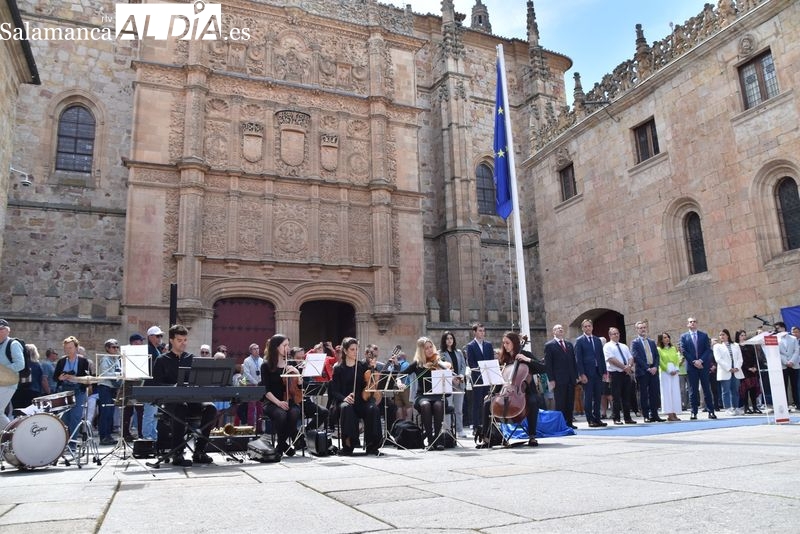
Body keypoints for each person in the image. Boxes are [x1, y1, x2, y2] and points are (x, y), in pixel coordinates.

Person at [152, 324, 216, 466]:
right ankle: (178, 453)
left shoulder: (191, 358)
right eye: (180, 340)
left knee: (211, 408)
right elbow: (155, 385)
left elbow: (199, 381)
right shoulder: (161, 360)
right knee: (180, 407)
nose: (183, 343)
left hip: (192, 400)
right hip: (171, 402)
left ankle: (200, 451)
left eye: (185, 340)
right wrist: (173, 387)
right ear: (172, 341)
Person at [477, 331, 543, 448]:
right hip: (506, 391)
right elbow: (500, 380)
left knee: (533, 401)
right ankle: (486, 437)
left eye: (507, 343)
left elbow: (544, 368)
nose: (505, 346)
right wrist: (491, 393)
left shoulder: (525, 354)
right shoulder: (504, 359)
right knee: (487, 402)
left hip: (525, 392)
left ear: (515, 343)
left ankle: (532, 436)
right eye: (504, 343)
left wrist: (527, 360)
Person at [330, 337, 382, 456]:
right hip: (344, 401)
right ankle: (349, 446)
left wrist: (373, 369)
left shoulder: (362, 366)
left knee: (373, 408)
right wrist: (344, 398)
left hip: (361, 400)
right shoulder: (338, 368)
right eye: (352, 349)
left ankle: (372, 446)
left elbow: (370, 383)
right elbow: (334, 391)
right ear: (345, 351)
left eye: (356, 349)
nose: (355, 352)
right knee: (346, 408)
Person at [261, 334, 304, 457]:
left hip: (289, 400)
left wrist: (298, 375)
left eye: (288, 345)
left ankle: (280, 446)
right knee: (281, 414)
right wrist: (278, 403)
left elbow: (299, 388)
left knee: (294, 412)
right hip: (271, 402)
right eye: (285, 345)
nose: (288, 348)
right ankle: (285, 445)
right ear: (276, 347)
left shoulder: (290, 365)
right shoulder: (266, 366)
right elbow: (266, 389)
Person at [54, 335, 92, 439]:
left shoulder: (84, 361)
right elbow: (55, 377)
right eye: (66, 348)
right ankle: (64, 441)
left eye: (70, 348)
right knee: (65, 417)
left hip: (78, 390)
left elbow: (89, 378)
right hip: (64, 390)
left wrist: (74, 378)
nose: (68, 350)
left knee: (75, 416)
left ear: (76, 348)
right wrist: (60, 378)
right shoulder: (61, 361)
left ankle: (73, 442)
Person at [679, 317, 717, 420]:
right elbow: (684, 351)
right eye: (690, 322)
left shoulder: (703, 335)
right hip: (691, 367)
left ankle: (711, 411)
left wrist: (700, 360)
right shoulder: (684, 337)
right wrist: (694, 362)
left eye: (695, 322)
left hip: (703, 366)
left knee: (706, 389)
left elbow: (707, 350)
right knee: (693, 390)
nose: (693, 323)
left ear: (697, 324)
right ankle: (693, 412)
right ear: (687, 324)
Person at [574, 319, 608, 427]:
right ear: (583, 328)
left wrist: (604, 372)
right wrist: (581, 374)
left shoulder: (597, 340)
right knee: (588, 397)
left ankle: (597, 418)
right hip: (587, 374)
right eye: (585, 326)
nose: (588, 328)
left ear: (592, 327)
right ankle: (590, 419)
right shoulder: (580, 340)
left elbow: (601, 357)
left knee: (598, 396)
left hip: (598, 372)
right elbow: (578, 359)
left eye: (589, 326)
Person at [544, 324, 578, 429]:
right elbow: (548, 364)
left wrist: (576, 376)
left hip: (570, 378)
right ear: (553, 332)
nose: (560, 329)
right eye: (557, 328)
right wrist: (551, 379)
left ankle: (569, 422)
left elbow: (573, 361)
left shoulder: (569, 344)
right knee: (560, 402)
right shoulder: (549, 345)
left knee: (570, 401)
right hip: (558, 379)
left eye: (561, 328)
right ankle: (561, 424)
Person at [631, 321, 664, 422]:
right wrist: (647, 368)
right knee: (644, 394)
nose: (643, 329)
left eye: (644, 327)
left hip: (653, 370)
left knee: (654, 393)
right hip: (643, 371)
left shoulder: (652, 342)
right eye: (640, 328)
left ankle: (655, 414)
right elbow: (636, 356)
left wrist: (654, 367)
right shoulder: (635, 342)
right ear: (637, 330)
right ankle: (646, 415)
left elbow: (657, 356)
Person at [603, 327, 637, 425]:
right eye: (614, 334)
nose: (616, 335)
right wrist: (624, 367)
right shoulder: (607, 346)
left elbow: (630, 357)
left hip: (626, 373)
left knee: (626, 396)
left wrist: (629, 366)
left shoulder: (624, 346)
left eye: (617, 333)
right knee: (616, 397)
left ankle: (627, 418)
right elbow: (611, 359)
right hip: (615, 373)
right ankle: (616, 418)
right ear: (610, 335)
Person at [439, 331, 468, 437]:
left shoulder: (459, 352)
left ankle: (459, 429)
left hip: (459, 383)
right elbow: (441, 368)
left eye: (451, 338)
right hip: (448, 384)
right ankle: (448, 429)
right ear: (444, 340)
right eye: (447, 338)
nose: (449, 340)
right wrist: (452, 378)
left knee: (459, 408)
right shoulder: (440, 353)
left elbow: (463, 365)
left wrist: (461, 375)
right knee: (448, 407)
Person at [465, 323, 493, 429]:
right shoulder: (470, 346)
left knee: (488, 401)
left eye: (483, 330)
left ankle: (487, 423)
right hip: (477, 377)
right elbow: (471, 363)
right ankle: (476, 425)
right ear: (475, 332)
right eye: (480, 330)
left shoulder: (488, 345)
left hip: (488, 377)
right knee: (477, 402)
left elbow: (491, 360)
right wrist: (481, 371)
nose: (482, 333)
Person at [0, 319, 25, 431]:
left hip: (8, 383)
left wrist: (3, 370)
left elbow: (20, 364)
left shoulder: (13, 344)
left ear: (8, 331)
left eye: (1, 329)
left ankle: (13, 435)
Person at [96, 339, 122, 445]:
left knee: (110, 413)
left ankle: (108, 435)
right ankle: (103, 436)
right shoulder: (105, 359)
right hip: (105, 387)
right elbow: (105, 373)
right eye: (113, 347)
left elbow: (119, 371)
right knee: (105, 412)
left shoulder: (116, 359)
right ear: (107, 348)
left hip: (112, 388)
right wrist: (118, 376)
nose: (116, 349)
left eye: (117, 347)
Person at [141, 325, 164, 442]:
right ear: (150, 337)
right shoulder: (148, 350)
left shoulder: (156, 350)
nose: (160, 338)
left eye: (161, 336)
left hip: (155, 384)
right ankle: (147, 437)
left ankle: (153, 436)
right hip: (150, 384)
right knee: (150, 413)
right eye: (157, 336)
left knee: (154, 414)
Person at [713, 329, 744, 415]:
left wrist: (737, 367)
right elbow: (718, 359)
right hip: (725, 370)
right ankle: (728, 408)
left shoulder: (736, 345)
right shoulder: (717, 346)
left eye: (723, 334)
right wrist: (729, 368)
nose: (721, 336)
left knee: (735, 390)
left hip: (736, 370)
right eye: (720, 335)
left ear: (727, 335)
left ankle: (736, 407)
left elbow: (740, 358)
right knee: (726, 390)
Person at [121, 333, 145, 441]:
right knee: (128, 410)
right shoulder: (126, 352)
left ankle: (141, 433)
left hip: (140, 383)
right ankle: (125, 434)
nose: (141, 343)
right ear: (134, 342)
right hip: (129, 383)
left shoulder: (143, 354)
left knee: (140, 410)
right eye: (139, 341)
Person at [657, 332, 682, 421]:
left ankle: (675, 412)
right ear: (661, 339)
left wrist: (676, 368)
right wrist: (668, 370)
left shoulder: (673, 348)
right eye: (664, 337)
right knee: (667, 392)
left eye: (667, 337)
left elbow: (677, 359)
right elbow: (660, 361)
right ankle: (669, 414)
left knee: (675, 391)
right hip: (665, 371)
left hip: (674, 370)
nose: (666, 339)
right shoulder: (659, 349)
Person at [775, 322, 799, 408]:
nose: (777, 330)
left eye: (778, 328)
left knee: (795, 385)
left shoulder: (793, 338)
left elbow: (796, 351)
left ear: (783, 328)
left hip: (794, 364)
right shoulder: (776, 340)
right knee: (784, 385)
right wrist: (786, 362)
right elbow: (777, 353)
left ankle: (797, 403)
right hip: (783, 365)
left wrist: (792, 361)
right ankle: (786, 405)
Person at [242, 342, 264, 431]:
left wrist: (261, 382)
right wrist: (255, 382)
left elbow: (263, 373)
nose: (257, 350)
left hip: (260, 386)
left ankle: (259, 429)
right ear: (250, 351)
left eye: (258, 348)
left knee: (260, 408)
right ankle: (250, 428)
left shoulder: (262, 360)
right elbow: (246, 374)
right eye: (254, 349)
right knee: (251, 408)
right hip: (251, 386)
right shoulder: (247, 360)